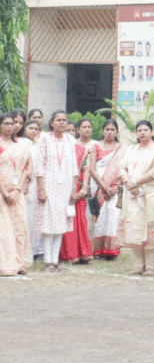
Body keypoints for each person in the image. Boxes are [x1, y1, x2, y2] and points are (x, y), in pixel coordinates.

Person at [117, 120, 154, 275]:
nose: (142, 132)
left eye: (146, 130)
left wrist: (134, 182)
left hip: (150, 195)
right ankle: (138, 266)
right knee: (134, 227)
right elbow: (121, 167)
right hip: (131, 194)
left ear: (152, 132)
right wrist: (128, 183)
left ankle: (152, 267)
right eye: (139, 130)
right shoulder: (131, 149)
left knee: (149, 228)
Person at [34, 111, 78, 273]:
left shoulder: (69, 140)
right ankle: (47, 261)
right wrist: (40, 189)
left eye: (64, 120)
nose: (61, 123)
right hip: (48, 185)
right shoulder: (45, 138)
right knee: (48, 223)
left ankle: (55, 260)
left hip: (64, 187)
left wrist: (74, 188)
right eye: (58, 120)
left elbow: (74, 165)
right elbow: (39, 165)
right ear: (51, 123)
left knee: (60, 223)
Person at [87, 120, 125, 261]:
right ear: (103, 131)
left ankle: (111, 250)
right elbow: (92, 169)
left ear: (117, 132)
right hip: (99, 187)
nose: (109, 132)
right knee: (100, 217)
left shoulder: (122, 149)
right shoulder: (95, 146)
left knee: (114, 217)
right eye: (107, 129)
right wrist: (104, 187)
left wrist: (115, 186)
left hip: (115, 188)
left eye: (112, 129)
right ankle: (99, 250)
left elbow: (123, 169)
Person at [0, 113, 32, 276]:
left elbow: (26, 169)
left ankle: (19, 263)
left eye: (12, 124)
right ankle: (5, 264)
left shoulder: (21, 146)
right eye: (6, 123)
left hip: (17, 193)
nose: (10, 126)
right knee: (3, 228)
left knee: (20, 226)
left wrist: (18, 190)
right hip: (2, 193)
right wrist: (5, 192)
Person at [60, 118, 95, 264]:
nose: (70, 133)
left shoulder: (80, 149)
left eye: (72, 130)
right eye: (67, 130)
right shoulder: (59, 148)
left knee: (80, 220)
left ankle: (83, 253)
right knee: (68, 220)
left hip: (80, 188)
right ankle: (70, 254)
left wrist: (84, 188)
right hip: (62, 188)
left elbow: (86, 169)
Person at [22, 119, 43, 262]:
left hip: (38, 184)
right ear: (24, 129)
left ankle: (39, 250)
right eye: (30, 128)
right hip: (23, 184)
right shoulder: (20, 144)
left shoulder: (41, 145)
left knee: (37, 217)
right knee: (25, 217)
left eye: (36, 128)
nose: (34, 131)